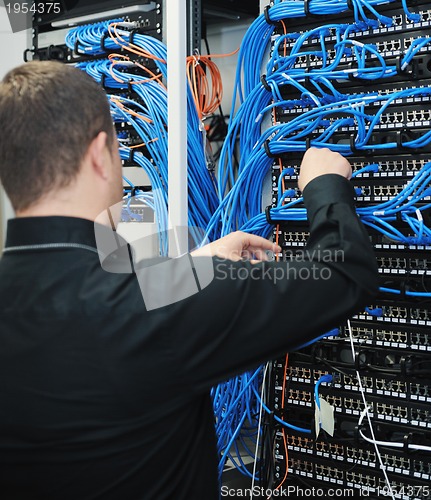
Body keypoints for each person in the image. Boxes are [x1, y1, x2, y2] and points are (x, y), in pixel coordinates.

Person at [0, 61, 378, 500]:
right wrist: (324, 184)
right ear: (100, 155)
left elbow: (101, 309)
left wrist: (196, 265)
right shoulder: (159, 304)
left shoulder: (140, 297)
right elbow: (343, 272)